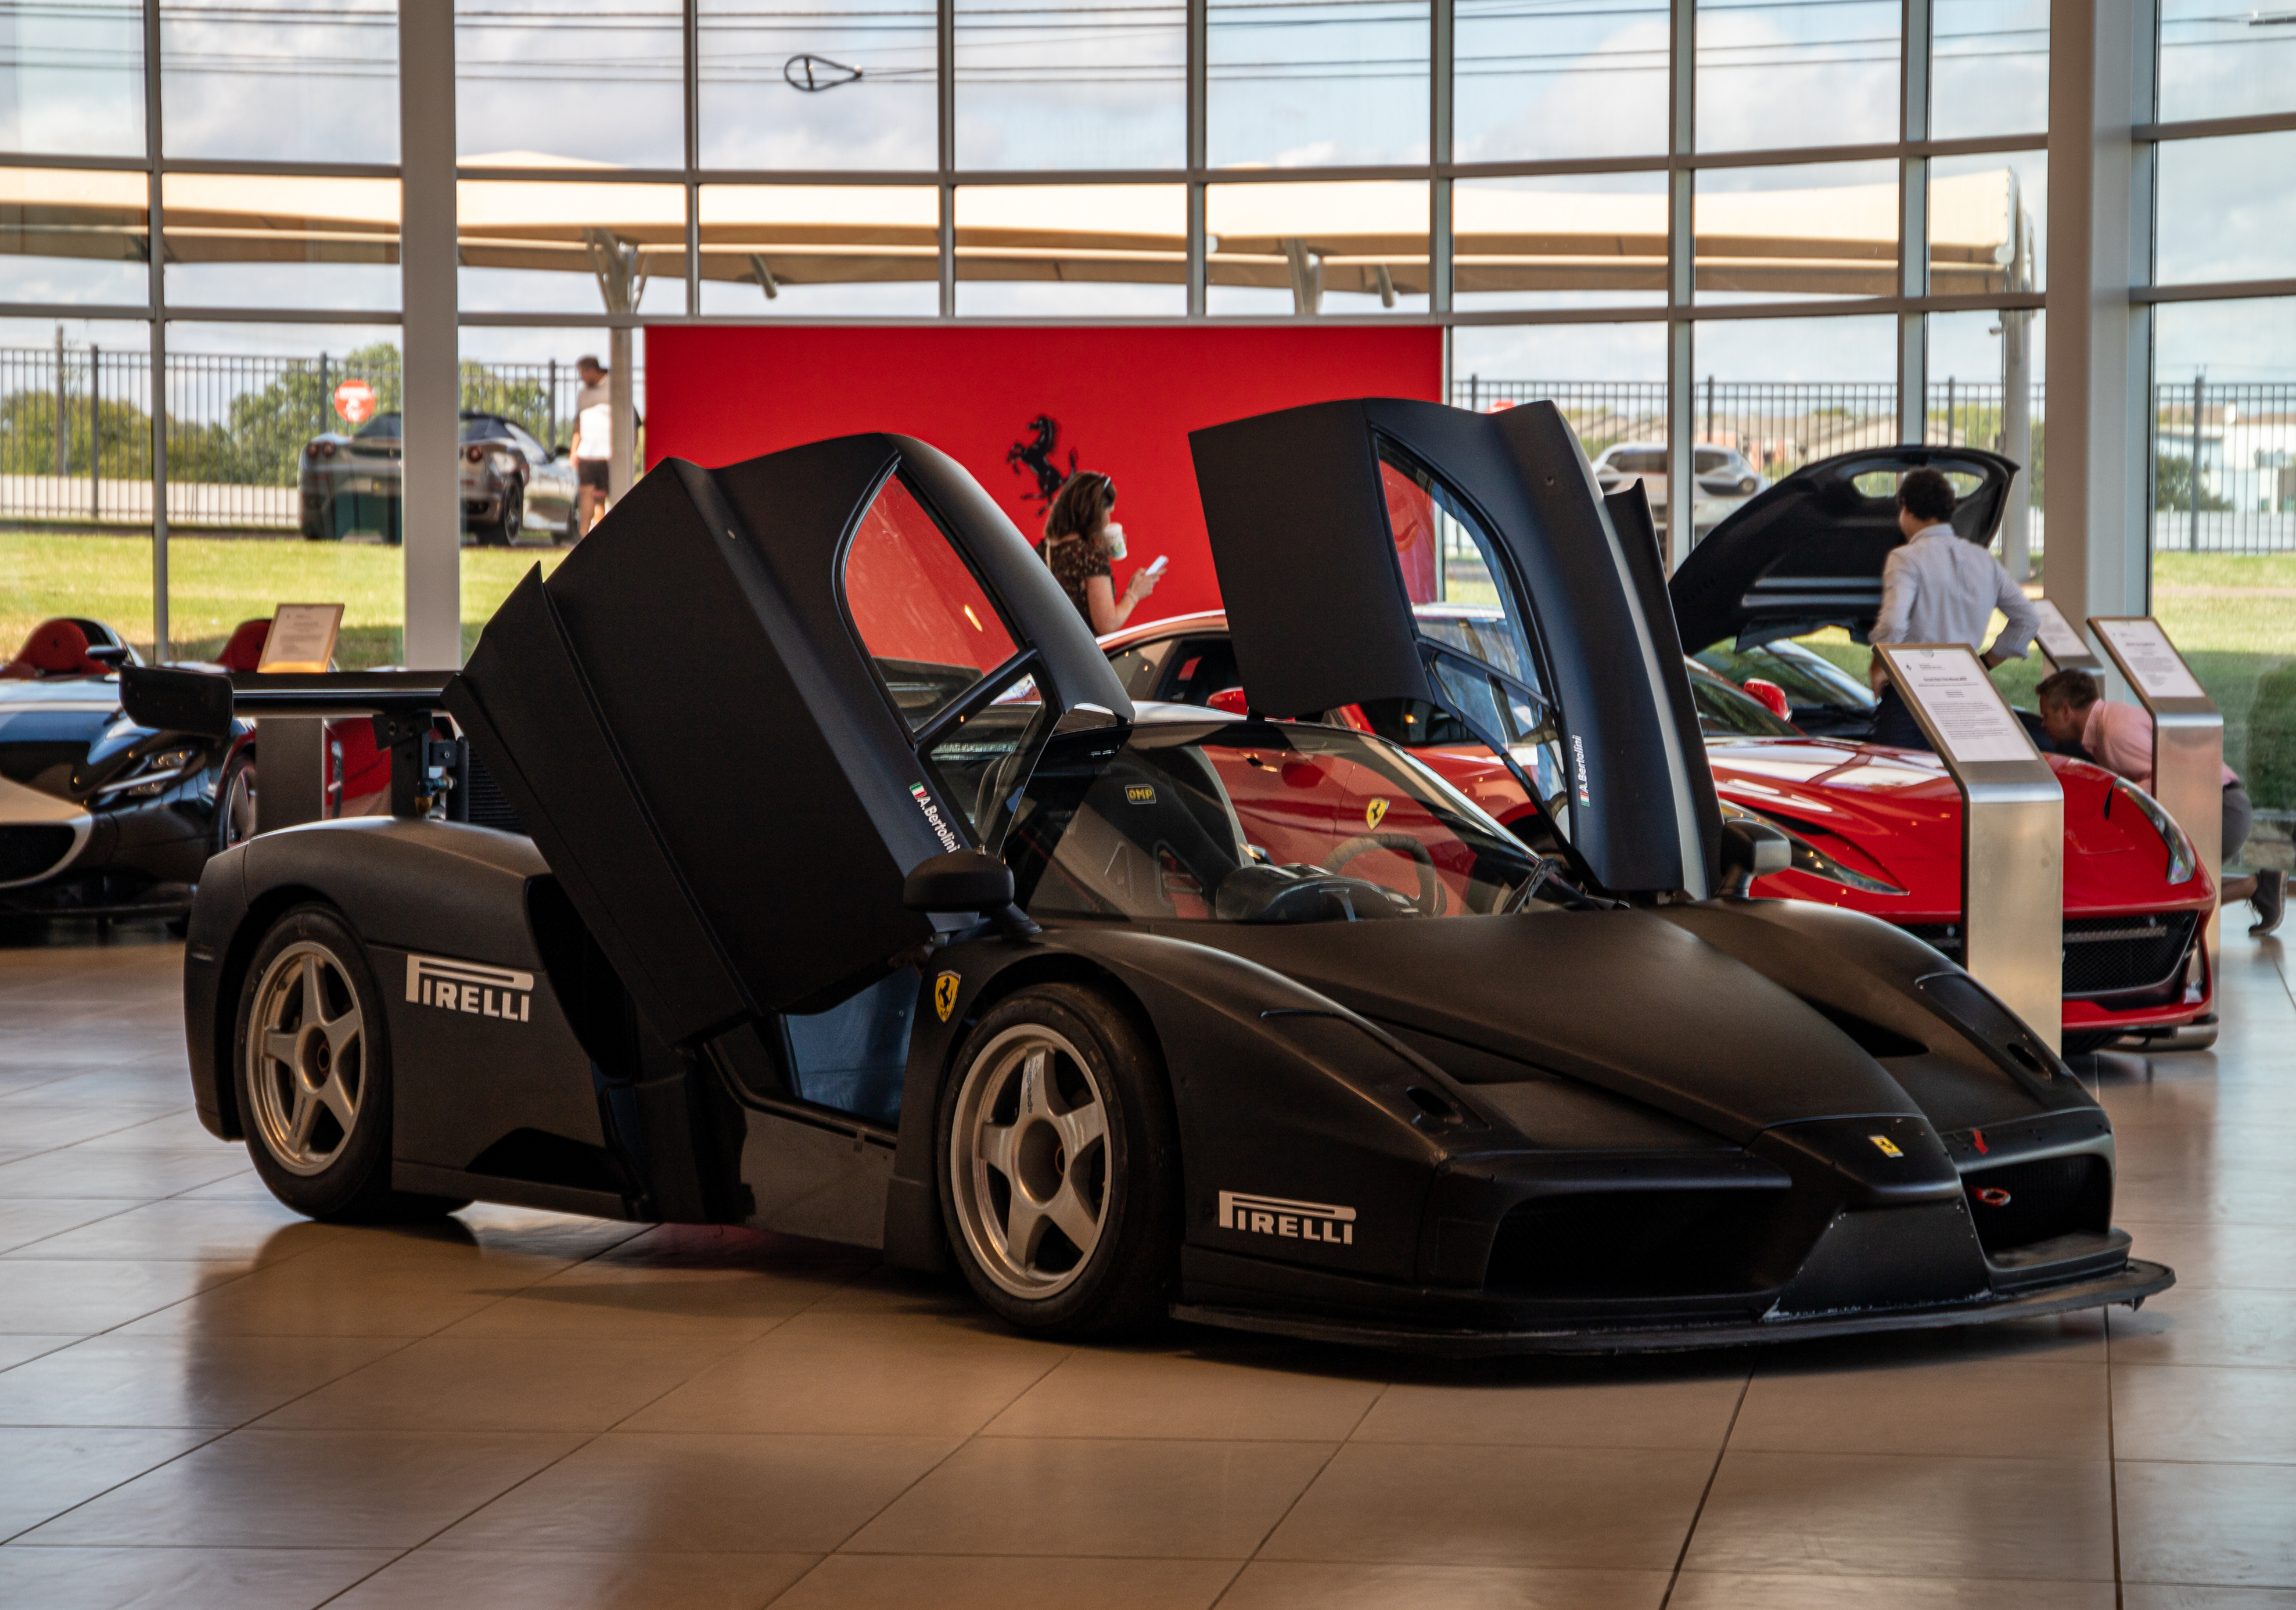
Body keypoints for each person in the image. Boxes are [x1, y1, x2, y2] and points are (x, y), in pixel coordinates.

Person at [2038, 668, 2285, 936]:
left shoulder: (2114, 735)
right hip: (2222, 803)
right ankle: (2261, 888)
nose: (2042, 724)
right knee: (2168, 891)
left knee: (2170, 897)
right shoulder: (2110, 721)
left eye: (2045, 716)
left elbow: (2166, 776)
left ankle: (2256, 888)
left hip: (2222, 810)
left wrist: (2118, 800)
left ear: (2065, 712)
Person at [1866, 467, 2040, 750]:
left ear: (1906, 509)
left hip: (1913, 691)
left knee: (1902, 777)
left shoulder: (1905, 558)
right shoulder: (1983, 560)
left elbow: (1895, 624)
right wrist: (1985, 664)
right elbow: (2028, 619)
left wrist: (1878, 663)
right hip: (1969, 689)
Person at [1039, 470, 1159, 633]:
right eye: (1108, 512)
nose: (1109, 520)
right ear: (1094, 513)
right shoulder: (1091, 556)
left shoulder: (1044, 548)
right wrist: (1134, 594)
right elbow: (1107, 624)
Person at [570, 355, 613, 536]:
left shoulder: (613, 388)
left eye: (582, 373)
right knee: (586, 494)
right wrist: (574, 451)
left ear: (591, 370)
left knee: (600, 498)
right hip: (586, 453)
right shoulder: (583, 394)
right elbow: (578, 423)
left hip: (606, 454)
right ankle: (583, 536)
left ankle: (599, 536)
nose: (581, 378)